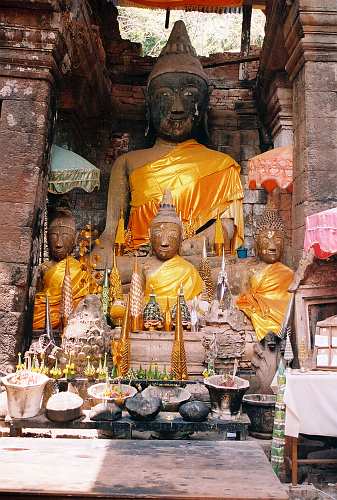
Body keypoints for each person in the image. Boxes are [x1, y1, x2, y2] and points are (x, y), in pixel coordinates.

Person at [95, 20, 244, 265]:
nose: (177, 108)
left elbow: (225, 230)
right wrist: (99, 252)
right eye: (164, 96)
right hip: (138, 259)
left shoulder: (223, 165)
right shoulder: (126, 162)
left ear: (205, 106)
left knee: (226, 270)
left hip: (192, 259)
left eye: (189, 95)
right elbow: (112, 231)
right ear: (149, 105)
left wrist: (182, 248)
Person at [236, 201, 294, 341]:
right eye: (266, 240)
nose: (272, 246)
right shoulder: (249, 270)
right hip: (256, 316)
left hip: (282, 322)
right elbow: (244, 296)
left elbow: (292, 304)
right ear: (256, 244)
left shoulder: (288, 274)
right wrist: (254, 306)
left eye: (278, 240)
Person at [33, 209, 98, 330]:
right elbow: (38, 300)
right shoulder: (44, 268)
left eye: (65, 236)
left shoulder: (80, 269)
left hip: (74, 322)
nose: (58, 243)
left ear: (75, 240)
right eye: (54, 236)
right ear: (47, 238)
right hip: (43, 317)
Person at [143, 190, 203, 309]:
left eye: (172, 235)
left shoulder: (188, 271)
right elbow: (138, 299)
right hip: (151, 319)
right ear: (149, 235)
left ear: (181, 237)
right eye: (158, 233)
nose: (164, 242)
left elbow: (198, 304)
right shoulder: (144, 268)